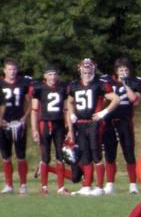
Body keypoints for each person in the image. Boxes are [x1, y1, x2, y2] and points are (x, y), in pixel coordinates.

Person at [67, 58, 120, 196]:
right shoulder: (74, 85)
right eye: (85, 67)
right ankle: (86, 186)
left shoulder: (99, 84)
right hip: (80, 124)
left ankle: (99, 187)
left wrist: (103, 112)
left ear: (94, 69)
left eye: (89, 67)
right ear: (80, 68)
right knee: (85, 156)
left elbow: (116, 99)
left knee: (96, 154)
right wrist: (72, 114)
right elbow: (70, 101)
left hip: (94, 124)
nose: (87, 70)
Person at [100, 57, 141, 195]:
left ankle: (132, 185)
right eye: (121, 70)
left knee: (129, 152)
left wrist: (126, 84)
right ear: (116, 71)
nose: (123, 72)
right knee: (109, 153)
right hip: (108, 121)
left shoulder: (135, 82)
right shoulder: (106, 81)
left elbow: (134, 100)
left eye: (126, 70)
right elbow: (102, 97)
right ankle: (110, 184)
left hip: (125, 121)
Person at [31, 65, 70, 195]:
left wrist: (69, 126)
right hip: (45, 124)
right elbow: (34, 110)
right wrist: (34, 129)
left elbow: (66, 109)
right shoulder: (39, 88)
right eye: (50, 74)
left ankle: (60, 187)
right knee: (45, 156)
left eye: (54, 74)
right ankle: (44, 187)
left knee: (60, 156)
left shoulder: (62, 88)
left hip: (59, 124)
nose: (52, 77)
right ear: (45, 76)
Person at [0, 58, 31, 195]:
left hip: (19, 122)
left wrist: (25, 118)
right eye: (9, 69)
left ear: (17, 70)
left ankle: (23, 184)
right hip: (3, 123)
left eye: (14, 69)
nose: (12, 72)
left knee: (21, 155)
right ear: (4, 70)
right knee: (6, 155)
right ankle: (9, 185)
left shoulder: (23, 83)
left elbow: (31, 103)